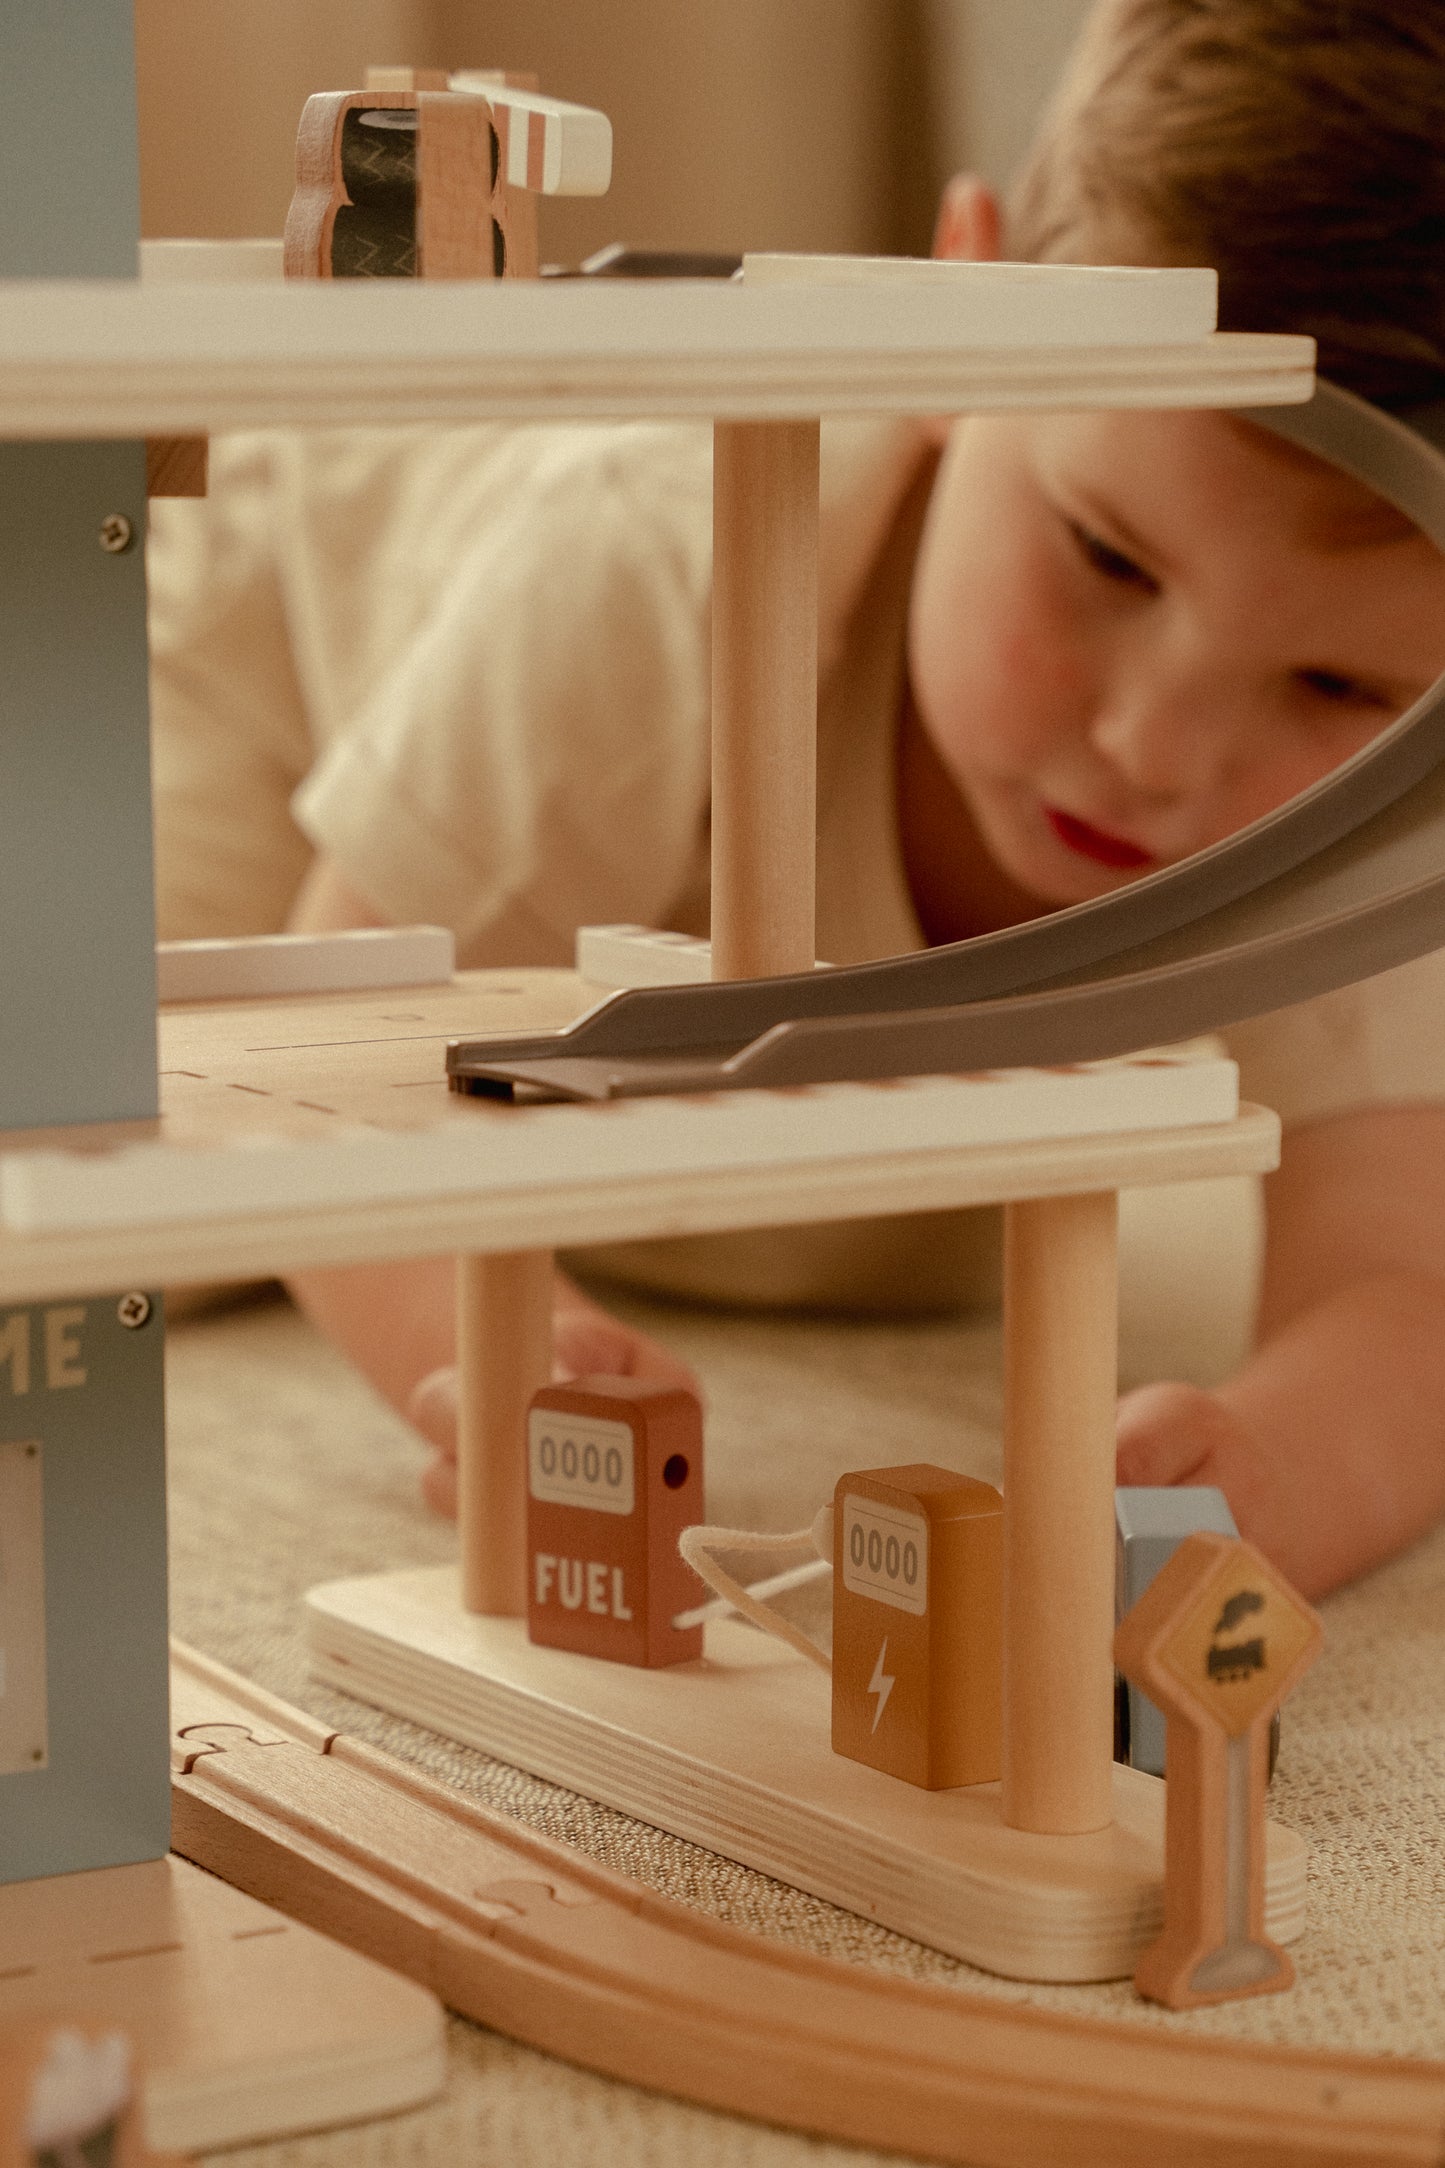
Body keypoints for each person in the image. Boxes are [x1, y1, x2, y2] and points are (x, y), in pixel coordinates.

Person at [147, 0, 1445, 1599]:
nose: (1151, 744)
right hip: (262, 665)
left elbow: (1400, 1284)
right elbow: (315, 1096)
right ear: (956, 323)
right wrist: (482, 1354)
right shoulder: (658, 572)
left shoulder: (1379, 801)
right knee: (122, 1166)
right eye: (1107, 558)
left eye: (1334, 690)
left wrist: (1275, 1469)